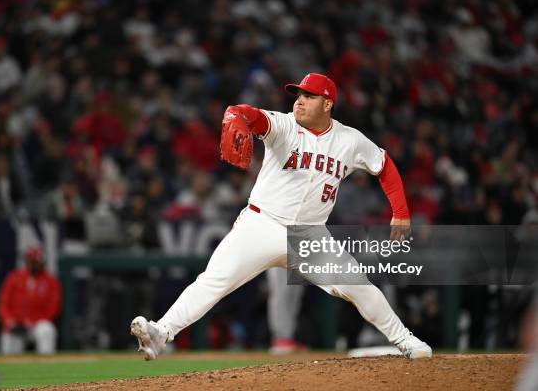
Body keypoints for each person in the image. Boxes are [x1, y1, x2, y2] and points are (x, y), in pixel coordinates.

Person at [131, 73, 432, 360]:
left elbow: (384, 166)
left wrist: (401, 212)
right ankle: (161, 332)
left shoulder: (349, 140)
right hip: (261, 225)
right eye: (298, 95)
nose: (299, 101)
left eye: (309, 96)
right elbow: (252, 115)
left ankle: (405, 340)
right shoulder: (284, 126)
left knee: (359, 285)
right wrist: (237, 115)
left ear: (327, 104)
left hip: (309, 235)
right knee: (213, 281)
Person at [0, 246, 62, 354]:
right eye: (32, 261)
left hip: (36, 325)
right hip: (16, 324)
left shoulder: (50, 281)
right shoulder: (14, 278)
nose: (34, 264)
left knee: (47, 330)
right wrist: (9, 321)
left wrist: (31, 322)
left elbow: (53, 308)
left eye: (37, 261)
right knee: (9, 338)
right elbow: (3, 304)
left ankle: (46, 366)